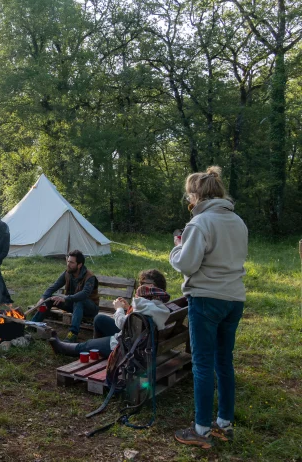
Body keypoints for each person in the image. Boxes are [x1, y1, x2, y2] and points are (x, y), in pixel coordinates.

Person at [170, 166, 248, 449]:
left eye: (189, 194)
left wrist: (177, 248)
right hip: (234, 298)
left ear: (196, 194)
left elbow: (187, 264)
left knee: (203, 364)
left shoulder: (199, 223)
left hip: (206, 298)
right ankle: (224, 423)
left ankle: (201, 429)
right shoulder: (237, 221)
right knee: (224, 361)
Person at [48, 270, 171, 357]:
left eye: (141, 283)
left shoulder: (144, 305)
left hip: (128, 346)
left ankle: (64, 348)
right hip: (138, 338)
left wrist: (119, 309)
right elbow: (138, 319)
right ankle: (99, 349)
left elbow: (123, 324)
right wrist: (128, 307)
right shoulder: (156, 303)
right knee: (100, 319)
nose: (139, 286)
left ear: (150, 286)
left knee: (87, 344)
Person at [31, 250, 99, 342]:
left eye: (71, 262)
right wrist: (42, 299)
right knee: (50, 299)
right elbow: (53, 287)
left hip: (90, 308)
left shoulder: (89, 277)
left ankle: (73, 334)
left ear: (79, 265)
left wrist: (65, 298)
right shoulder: (67, 273)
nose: (68, 264)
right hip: (73, 305)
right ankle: (33, 324)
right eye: (68, 261)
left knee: (79, 301)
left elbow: (84, 294)